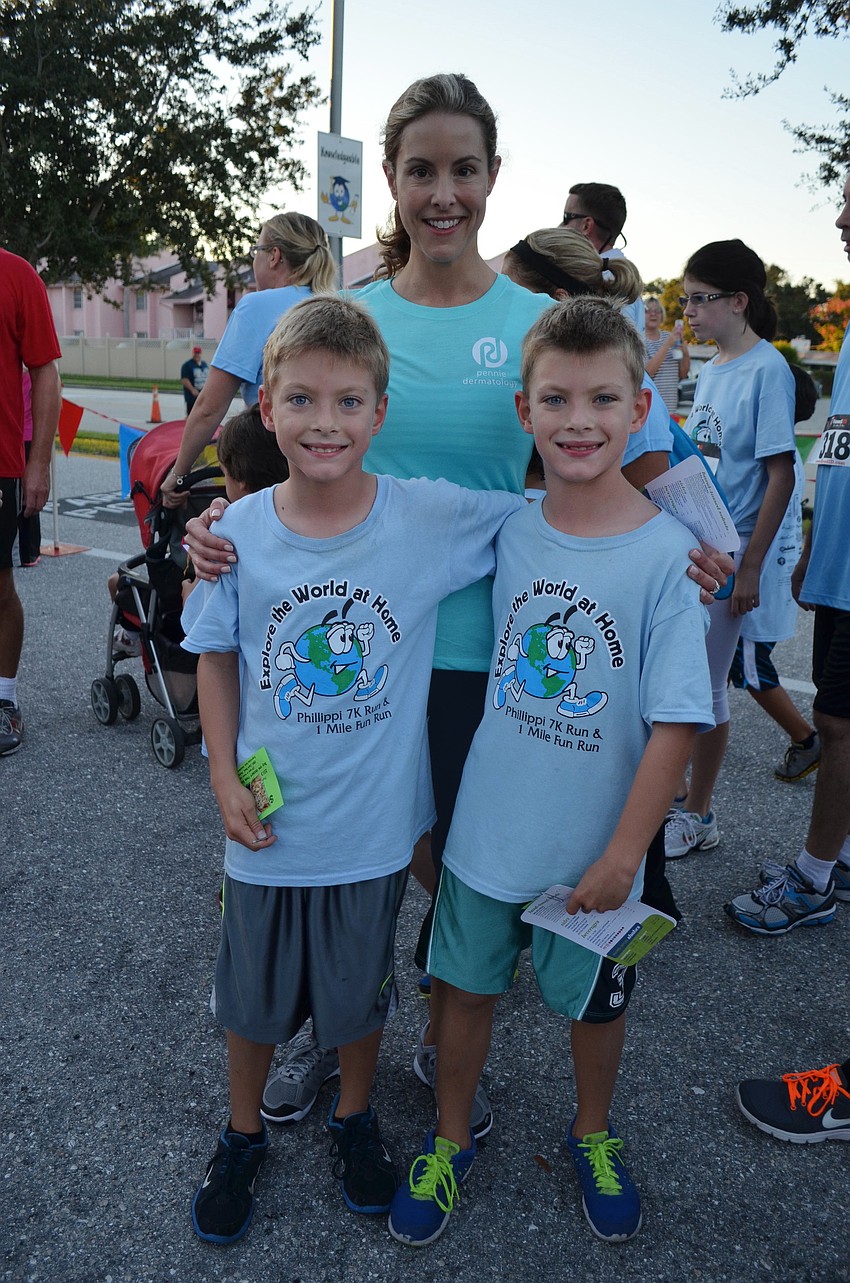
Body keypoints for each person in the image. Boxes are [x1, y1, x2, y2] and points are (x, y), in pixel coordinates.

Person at [183, 73, 730, 1136]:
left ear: (490, 178)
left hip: (513, 651)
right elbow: (272, 450)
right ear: (391, 177)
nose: (444, 193)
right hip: (378, 652)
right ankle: (322, 1028)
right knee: (359, 845)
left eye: (464, 170)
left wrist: (703, 554)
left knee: (465, 863)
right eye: (422, 170)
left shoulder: (542, 322)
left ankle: (443, 1032)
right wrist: (219, 528)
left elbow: (651, 457)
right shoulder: (341, 317)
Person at [182, 293, 527, 1245]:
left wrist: (680, 537)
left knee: (358, 989)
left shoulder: (426, 518)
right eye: (300, 400)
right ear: (267, 408)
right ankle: (242, 1132)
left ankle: (355, 1116)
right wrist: (220, 776)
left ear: (379, 412)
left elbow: (552, 513)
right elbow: (214, 656)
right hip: (265, 823)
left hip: (374, 829)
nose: (323, 422)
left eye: (346, 402)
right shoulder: (238, 533)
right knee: (249, 1000)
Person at [387, 297, 713, 1249]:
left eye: (604, 398)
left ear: (640, 404)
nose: (580, 419)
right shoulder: (506, 525)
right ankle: (450, 1139)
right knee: (465, 990)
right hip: (488, 834)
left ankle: (592, 1130)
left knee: (597, 1004)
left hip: (597, 855)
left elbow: (678, 720)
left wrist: (626, 852)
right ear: (523, 413)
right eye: (557, 399)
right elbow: (364, 521)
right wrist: (222, 535)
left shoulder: (666, 557)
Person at [501, 227, 682, 919]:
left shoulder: (618, 389)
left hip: (630, 583)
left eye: (512, 292)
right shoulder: (537, 380)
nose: (579, 417)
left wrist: (691, 551)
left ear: (548, 297)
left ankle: (643, 884)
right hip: (547, 563)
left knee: (627, 728)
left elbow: (659, 489)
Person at [725, 171, 850, 935]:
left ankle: (812, 879)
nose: (838, 216)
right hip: (837, 566)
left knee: (836, 726)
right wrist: (816, 548)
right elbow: (835, 455)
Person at [664, 240, 797, 861]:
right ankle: (681, 789)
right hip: (700, 547)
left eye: (699, 299)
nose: (687, 310)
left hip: (732, 555)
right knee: (684, 677)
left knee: (711, 687)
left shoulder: (766, 369)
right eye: (686, 299)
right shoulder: (714, 366)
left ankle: (699, 814)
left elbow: (781, 475)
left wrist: (749, 566)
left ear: (738, 301)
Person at [161, 212, 336, 508]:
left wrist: (178, 475)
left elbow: (209, 407)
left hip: (272, 458)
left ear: (274, 256)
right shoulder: (336, 303)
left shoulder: (257, 307)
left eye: (256, 251)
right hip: (331, 455)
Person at [0, 247, 62, 755]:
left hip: (1, 466)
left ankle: (4, 701)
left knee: (0, 590)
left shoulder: (17, 275)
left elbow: (45, 372)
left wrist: (37, 463)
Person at [561, 182, 644, 335]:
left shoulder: (605, 280)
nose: (559, 226)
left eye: (566, 217)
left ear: (587, 225)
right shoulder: (622, 277)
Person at [643, 297, 690, 414]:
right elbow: (646, 374)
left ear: (662, 315)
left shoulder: (670, 337)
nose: (653, 314)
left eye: (657, 311)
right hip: (649, 411)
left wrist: (685, 351)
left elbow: (683, 374)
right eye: (648, 311)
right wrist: (666, 345)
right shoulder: (638, 340)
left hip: (670, 409)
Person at [17, 371, 42, 567]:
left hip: (15, 438)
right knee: (30, 496)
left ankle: (17, 549)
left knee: (15, 493)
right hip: (29, 437)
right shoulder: (33, 378)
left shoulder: (14, 377)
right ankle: (30, 552)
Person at [180, 346, 209, 416]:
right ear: (193, 353)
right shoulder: (187, 365)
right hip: (192, 397)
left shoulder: (204, 364)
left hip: (203, 395)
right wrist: (192, 390)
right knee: (192, 415)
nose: (197, 355)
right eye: (195, 353)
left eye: (198, 353)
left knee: (202, 415)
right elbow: (184, 379)